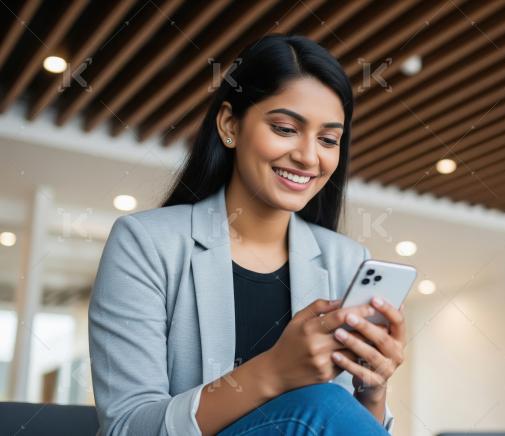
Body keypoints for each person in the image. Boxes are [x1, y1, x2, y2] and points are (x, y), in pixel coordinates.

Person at [88, 34, 405, 435]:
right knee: (323, 401)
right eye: (286, 128)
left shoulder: (346, 260)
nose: (309, 156)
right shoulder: (145, 243)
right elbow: (126, 427)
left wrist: (372, 392)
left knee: (332, 403)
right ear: (229, 125)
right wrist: (273, 371)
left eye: (328, 139)